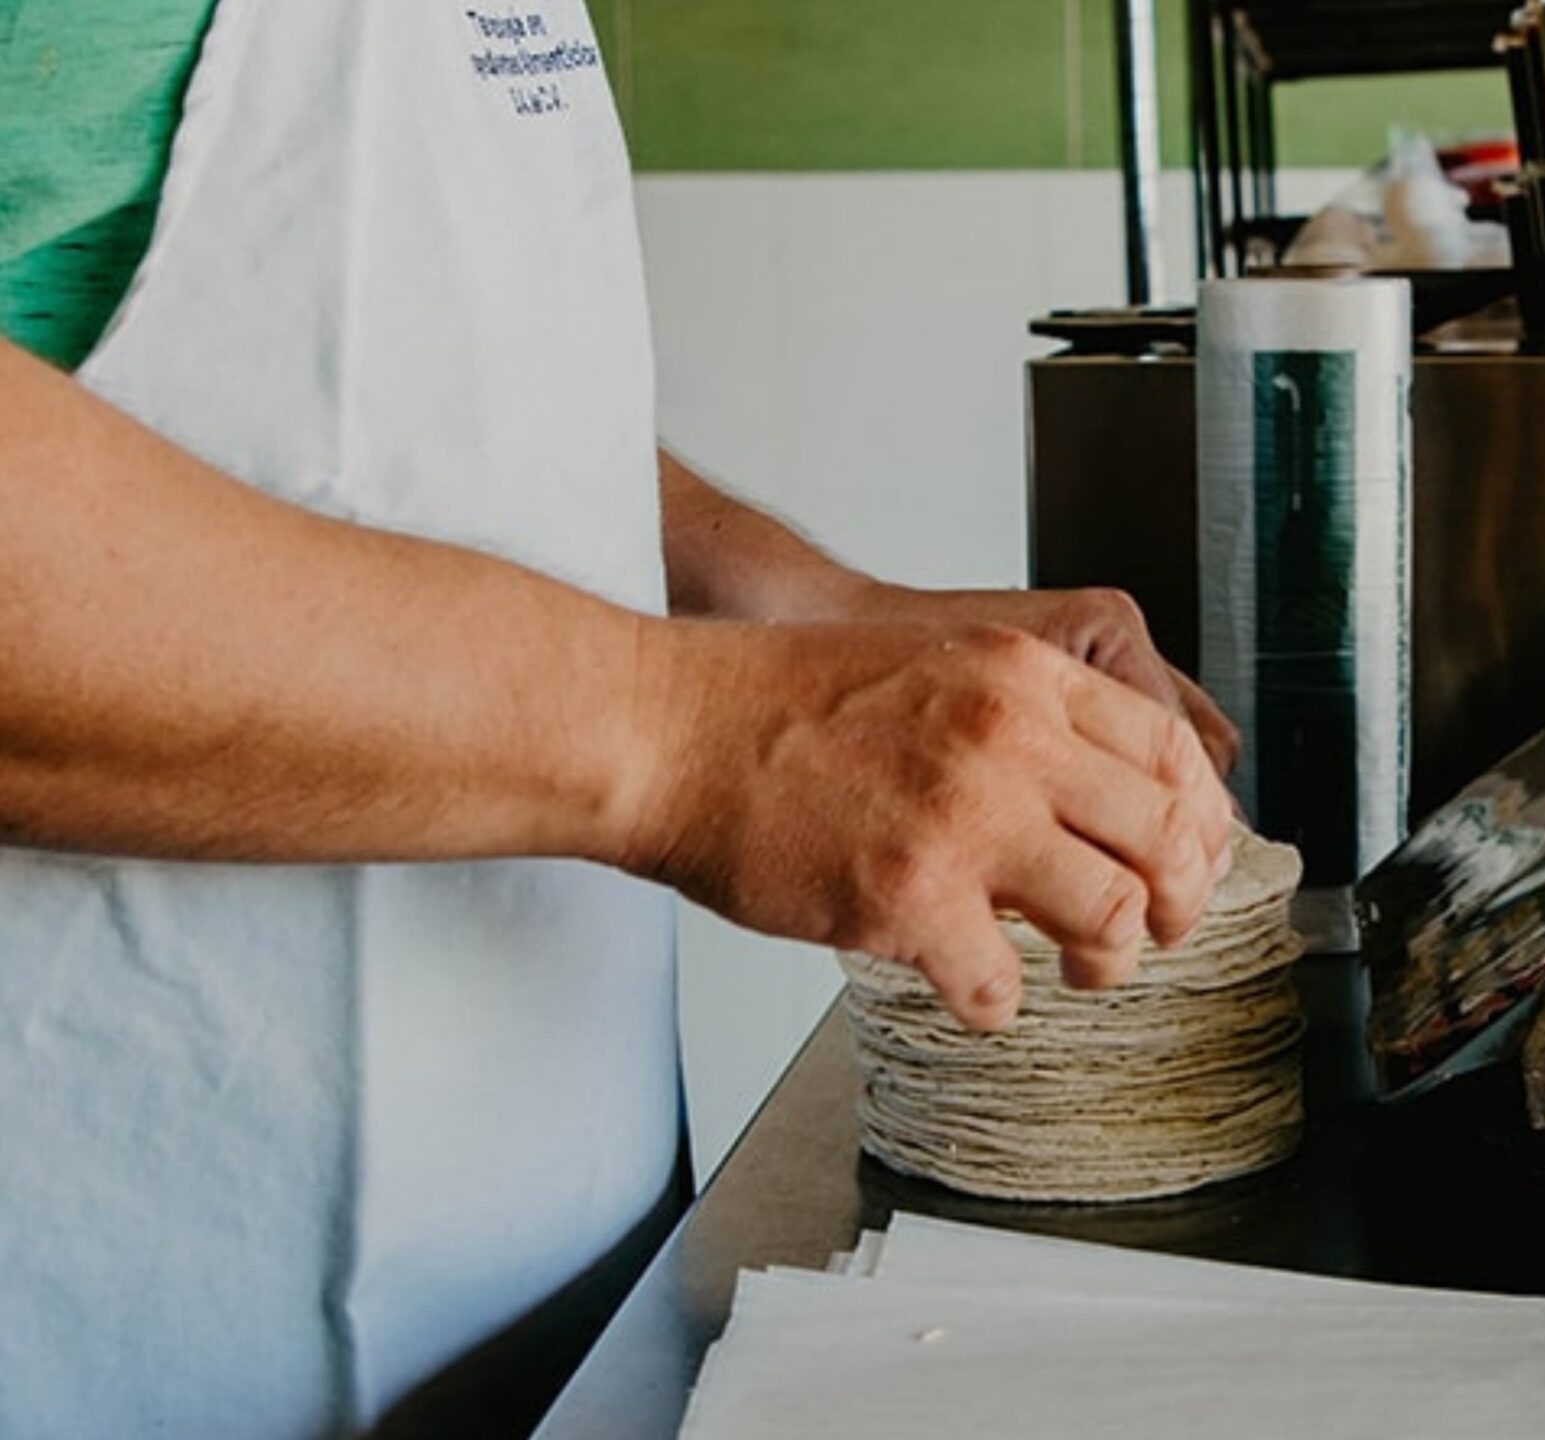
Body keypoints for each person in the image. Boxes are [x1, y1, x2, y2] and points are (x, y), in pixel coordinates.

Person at [0, 3, 1238, 1436]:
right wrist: (684, 736)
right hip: (115, 1297)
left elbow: (412, 384)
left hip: (559, 1289)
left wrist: (814, 614)